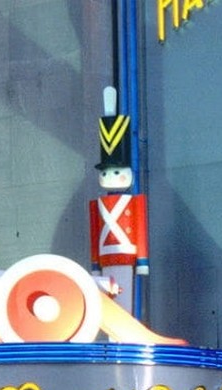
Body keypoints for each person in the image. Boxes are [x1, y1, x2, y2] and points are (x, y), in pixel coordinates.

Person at [89, 86, 148, 315]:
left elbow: (140, 230)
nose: (109, 177)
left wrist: (142, 261)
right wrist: (95, 265)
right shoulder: (97, 204)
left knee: (124, 299)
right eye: (106, 173)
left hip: (126, 255)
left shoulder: (136, 202)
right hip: (106, 258)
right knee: (110, 301)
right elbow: (95, 231)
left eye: (116, 172)